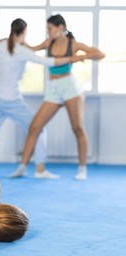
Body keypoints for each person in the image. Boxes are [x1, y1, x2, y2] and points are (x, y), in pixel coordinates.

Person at [0, 18, 84, 179]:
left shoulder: (1, 45)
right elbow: (46, 61)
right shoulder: (21, 51)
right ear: (23, 32)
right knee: (39, 129)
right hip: (11, 100)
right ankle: (40, 169)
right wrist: (70, 58)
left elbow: (6, 43)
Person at [11, 14, 105, 180]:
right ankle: (22, 167)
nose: (48, 32)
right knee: (34, 127)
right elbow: (31, 49)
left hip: (70, 88)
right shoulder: (49, 42)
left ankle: (82, 169)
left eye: (50, 28)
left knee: (78, 128)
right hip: (53, 90)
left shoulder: (73, 44)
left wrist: (82, 56)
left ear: (60, 27)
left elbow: (100, 54)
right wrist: (12, 39)